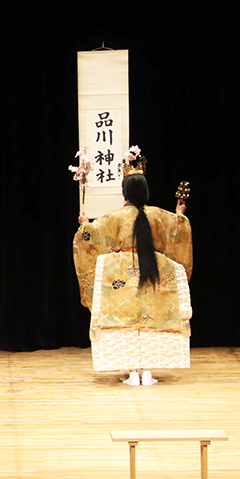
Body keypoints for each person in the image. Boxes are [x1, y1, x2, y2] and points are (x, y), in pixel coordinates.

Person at [72, 148, 193, 386]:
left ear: (123, 192)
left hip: (119, 275)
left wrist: (84, 224)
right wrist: (179, 212)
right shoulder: (157, 215)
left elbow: (92, 235)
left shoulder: (116, 217)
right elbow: (177, 228)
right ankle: (147, 371)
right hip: (153, 268)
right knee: (151, 318)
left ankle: (132, 373)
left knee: (125, 321)